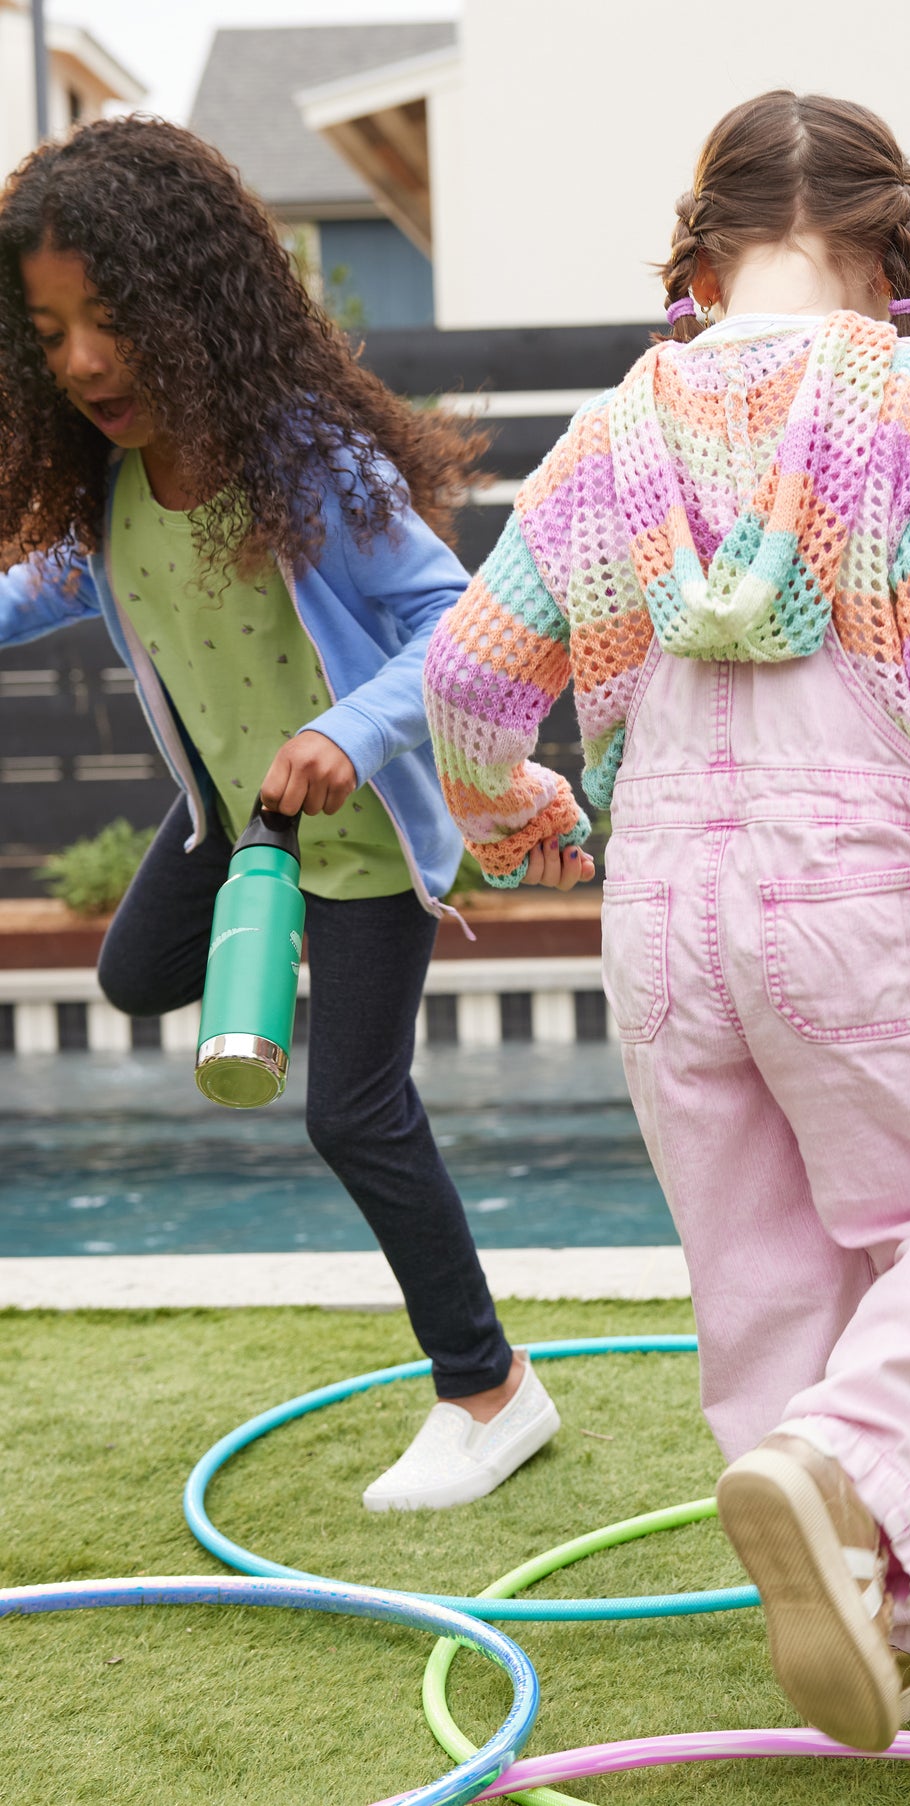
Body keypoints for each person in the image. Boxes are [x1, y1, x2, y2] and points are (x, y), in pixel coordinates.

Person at [423, 91, 910, 1747]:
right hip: (857, 908)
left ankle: (896, 1618)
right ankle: (839, 1469)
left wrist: (507, 805)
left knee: (763, 1265)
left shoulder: (610, 432)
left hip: (663, 906)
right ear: (891, 250)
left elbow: (468, 671)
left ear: (701, 250)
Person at [0, 118, 578, 1512]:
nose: (82, 360)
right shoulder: (115, 492)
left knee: (352, 1109)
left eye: (111, 318)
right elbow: (39, 590)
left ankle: (489, 1387)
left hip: (362, 841)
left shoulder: (308, 460)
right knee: (135, 978)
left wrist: (345, 730)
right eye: (50, 331)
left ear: (192, 303)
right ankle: (254, 916)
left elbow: (451, 615)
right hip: (234, 822)